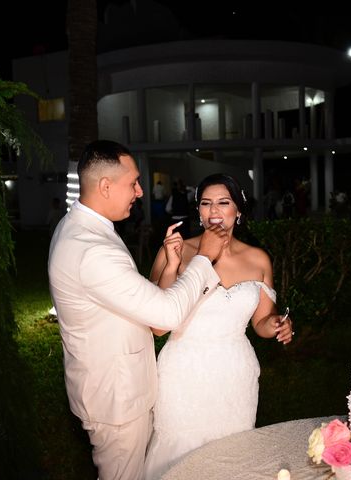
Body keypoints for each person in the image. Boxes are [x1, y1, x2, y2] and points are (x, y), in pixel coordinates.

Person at [48, 140, 228, 480]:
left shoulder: (80, 227)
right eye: (132, 182)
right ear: (105, 186)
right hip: (116, 401)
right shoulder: (91, 248)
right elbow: (166, 315)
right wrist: (203, 259)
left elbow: (129, 300)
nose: (141, 191)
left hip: (115, 389)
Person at [144, 173, 294, 479]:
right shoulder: (175, 251)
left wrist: (277, 324)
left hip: (234, 372)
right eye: (206, 203)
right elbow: (158, 327)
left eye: (223, 203)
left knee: (233, 453)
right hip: (183, 372)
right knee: (178, 452)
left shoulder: (258, 259)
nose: (214, 211)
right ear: (197, 211)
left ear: (238, 210)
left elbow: (261, 321)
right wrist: (172, 267)